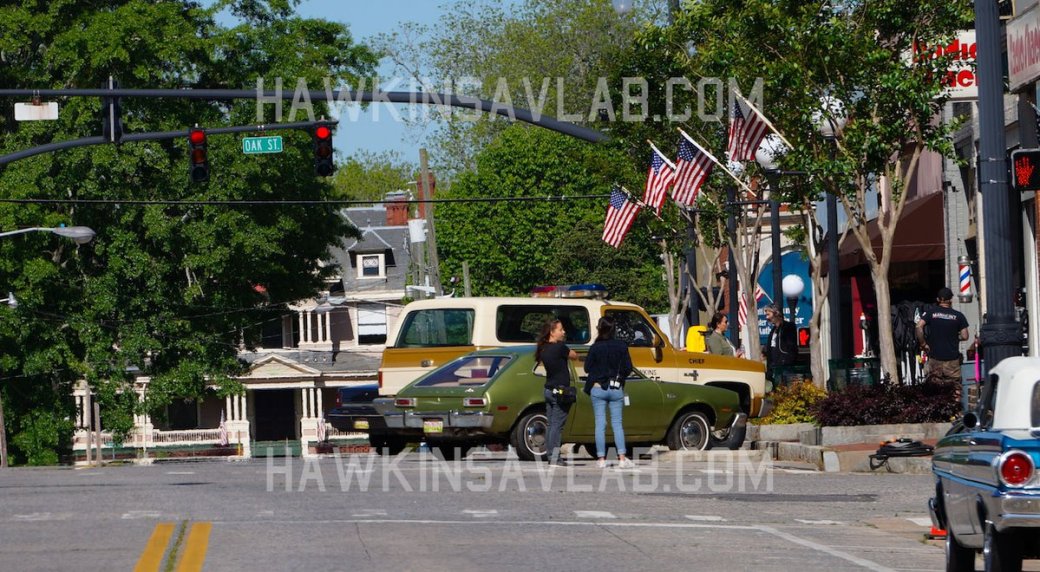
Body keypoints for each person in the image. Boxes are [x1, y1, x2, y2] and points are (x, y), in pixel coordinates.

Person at [582, 317, 634, 469]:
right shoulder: (621, 346)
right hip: (616, 388)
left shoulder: (595, 347)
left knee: (600, 424)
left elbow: (587, 368)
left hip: (598, 388)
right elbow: (628, 367)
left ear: (599, 328)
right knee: (617, 424)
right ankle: (622, 458)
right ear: (614, 329)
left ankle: (601, 458)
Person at [535, 318, 578, 466]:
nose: (563, 332)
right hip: (560, 391)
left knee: (551, 424)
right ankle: (555, 457)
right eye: (560, 330)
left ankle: (550, 455)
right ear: (552, 332)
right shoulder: (560, 348)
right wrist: (565, 347)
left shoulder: (543, 349)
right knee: (557, 425)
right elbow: (574, 355)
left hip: (548, 389)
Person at [916, 287, 969, 384]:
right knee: (955, 386)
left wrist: (923, 343)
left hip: (935, 358)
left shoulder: (931, 312)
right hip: (952, 359)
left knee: (935, 388)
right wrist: (956, 337)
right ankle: (954, 400)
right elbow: (965, 336)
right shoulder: (958, 315)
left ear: (938, 299)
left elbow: (919, 327)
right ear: (951, 300)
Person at [763, 304, 797, 383]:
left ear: (776, 313)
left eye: (768, 314)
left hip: (785, 368)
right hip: (775, 369)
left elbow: (791, 347)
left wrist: (785, 361)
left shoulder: (788, 327)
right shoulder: (773, 330)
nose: (766, 317)